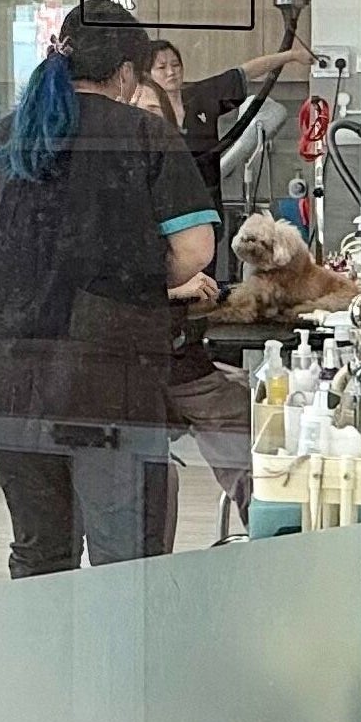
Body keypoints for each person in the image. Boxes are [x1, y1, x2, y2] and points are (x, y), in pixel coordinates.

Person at [0, 0, 217, 576]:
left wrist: (30, 281)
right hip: (107, 384)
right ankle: (116, 642)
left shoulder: (1, 137)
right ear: (127, 73)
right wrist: (134, 284)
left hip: (9, 381)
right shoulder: (145, 136)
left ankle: (46, 640)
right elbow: (194, 251)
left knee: (40, 551)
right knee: (124, 556)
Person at [133, 74, 260, 547]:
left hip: (181, 354)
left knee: (250, 425)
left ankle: (270, 530)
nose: (141, 123)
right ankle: (149, 568)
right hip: (130, 365)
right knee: (153, 477)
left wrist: (193, 298)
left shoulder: (176, 179)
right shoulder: (103, 191)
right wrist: (171, 291)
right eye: (133, 111)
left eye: (152, 113)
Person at [147, 36, 312, 209]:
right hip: (165, 205)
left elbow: (245, 72)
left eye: (175, 65)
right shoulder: (144, 113)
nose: (171, 72)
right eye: (161, 67)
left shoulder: (200, 95)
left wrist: (291, 55)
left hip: (207, 204)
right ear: (147, 75)